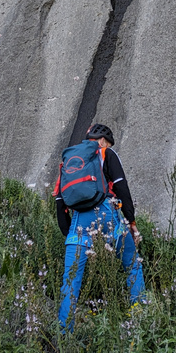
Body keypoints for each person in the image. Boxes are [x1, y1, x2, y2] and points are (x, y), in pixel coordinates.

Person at [55, 123, 145, 331]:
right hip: (108, 212)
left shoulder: (69, 162)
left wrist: (70, 234)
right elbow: (122, 186)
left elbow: (60, 204)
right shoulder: (106, 153)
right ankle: (141, 318)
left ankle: (63, 336)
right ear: (103, 141)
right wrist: (131, 222)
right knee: (132, 263)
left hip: (78, 222)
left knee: (70, 282)